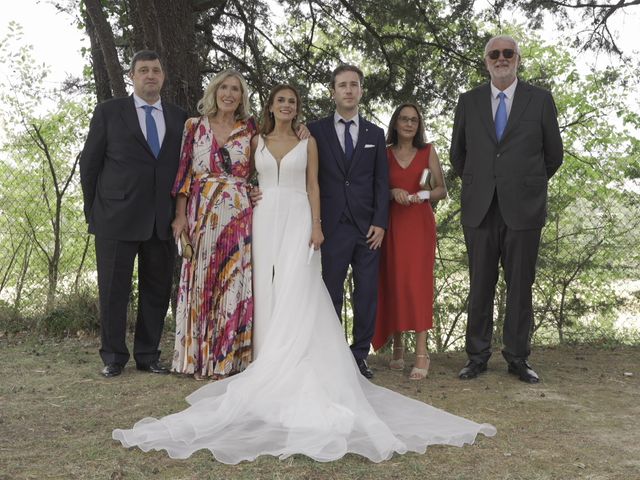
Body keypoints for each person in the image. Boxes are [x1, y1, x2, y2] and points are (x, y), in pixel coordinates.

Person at [112, 84, 496, 463]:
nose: (286, 106)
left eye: (292, 102)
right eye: (280, 100)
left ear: (298, 108)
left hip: (299, 217)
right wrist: (248, 194)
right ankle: (259, 354)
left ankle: (298, 357)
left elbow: (314, 185)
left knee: (300, 284)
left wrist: (316, 224)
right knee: (262, 286)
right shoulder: (255, 136)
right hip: (261, 219)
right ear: (271, 106)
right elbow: (235, 171)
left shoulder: (309, 139)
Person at [450, 35, 563, 383]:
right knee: (480, 283)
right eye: (494, 54)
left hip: (523, 209)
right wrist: (484, 180)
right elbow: (458, 154)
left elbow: (553, 155)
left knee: (520, 286)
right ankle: (477, 356)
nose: (501, 58)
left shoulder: (540, 101)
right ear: (486, 61)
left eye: (507, 53)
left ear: (518, 58)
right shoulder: (468, 102)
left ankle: (517, 358)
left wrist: (522, 182)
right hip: (480, 208)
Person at [80, 50, 187, 378]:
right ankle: (113, 356)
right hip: (115, 216)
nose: (150, 75)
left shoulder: (180, 118)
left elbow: (184, 169)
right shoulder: (110, 112)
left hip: (161, 219)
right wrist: (93, 210)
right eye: (143, 70)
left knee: (155, 290)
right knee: (114, 290)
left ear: (163, 76)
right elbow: (90, 164)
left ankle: (148, 354)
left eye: (156, 70)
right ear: (133, 76)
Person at [170, 69, 256, 380]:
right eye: (224, 88)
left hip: (238, 214)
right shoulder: (194, 126)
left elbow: (271, 160)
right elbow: (184, 174)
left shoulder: (250, 129)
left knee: (232, 281)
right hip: (201, 211)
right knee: (201, 282)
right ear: (214, 92)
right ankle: (199, 360)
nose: (230, 94)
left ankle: (227, 360)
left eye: (236, 89)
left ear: (242, 97)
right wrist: (180, 216)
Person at [307, 64, 389, 379]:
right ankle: (332, 352)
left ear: (361, 90)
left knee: (367, 291)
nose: (349, 90)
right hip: (331, 225)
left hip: (368, 228)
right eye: (342, 85)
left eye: (354, 84)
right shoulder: (315, 130)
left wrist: (380, 223)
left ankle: (359, 356)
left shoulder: (374, 134)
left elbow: (381, 181)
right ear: (333, 91)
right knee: (331, 291)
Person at [372, 103, 447, 380]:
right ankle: (398, 347)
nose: (408, 124)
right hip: (392, 223)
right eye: (404, 119)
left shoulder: (428, 151)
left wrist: (422, 196)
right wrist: (393, 192)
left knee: (418, 284)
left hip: (418, 224)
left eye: (414, 120)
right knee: (394, 281)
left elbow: (441, 189)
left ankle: (421, 352)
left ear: (419, 124)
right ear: (395, 123)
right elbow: (376, 186)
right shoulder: (385, 152)